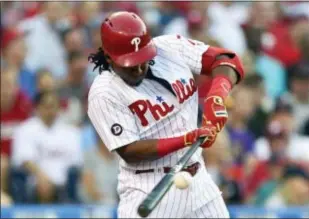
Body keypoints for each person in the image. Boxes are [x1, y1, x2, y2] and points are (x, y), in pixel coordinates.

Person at [87, 11, 244, 218]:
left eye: (142, 57)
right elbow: (129, 151)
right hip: (149, 186)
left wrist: (216, 97)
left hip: (198, 180)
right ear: (109, 56)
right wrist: (186, 139)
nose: (140, 67)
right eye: (131, 63)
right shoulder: (103, 92)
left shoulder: (169, 48)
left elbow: (227, 60)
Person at [11, 90, 83, 203]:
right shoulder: (25, 129)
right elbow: (24, 160)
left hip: (63, 185)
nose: (50, 110)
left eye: (53, 106)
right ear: (37, 108)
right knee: (42, 186)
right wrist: (43, 178)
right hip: (34, 183)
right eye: (46, 106)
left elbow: (76, 163)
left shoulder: (71, 132)